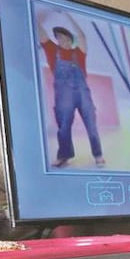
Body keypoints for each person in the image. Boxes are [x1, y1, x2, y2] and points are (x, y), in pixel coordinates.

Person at [36, 10, 104, 168]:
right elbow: (40, 30)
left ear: (70, 39)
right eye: (58, 36)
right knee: (64, 126)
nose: (61, 39)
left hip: (83, 94)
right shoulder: (52, 50)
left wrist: (67, 15)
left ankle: (98, 154)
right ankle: (64, 156)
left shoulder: (78, 53)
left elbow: (82, 37)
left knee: (91, 124)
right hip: (63, 96)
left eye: (65, 36)